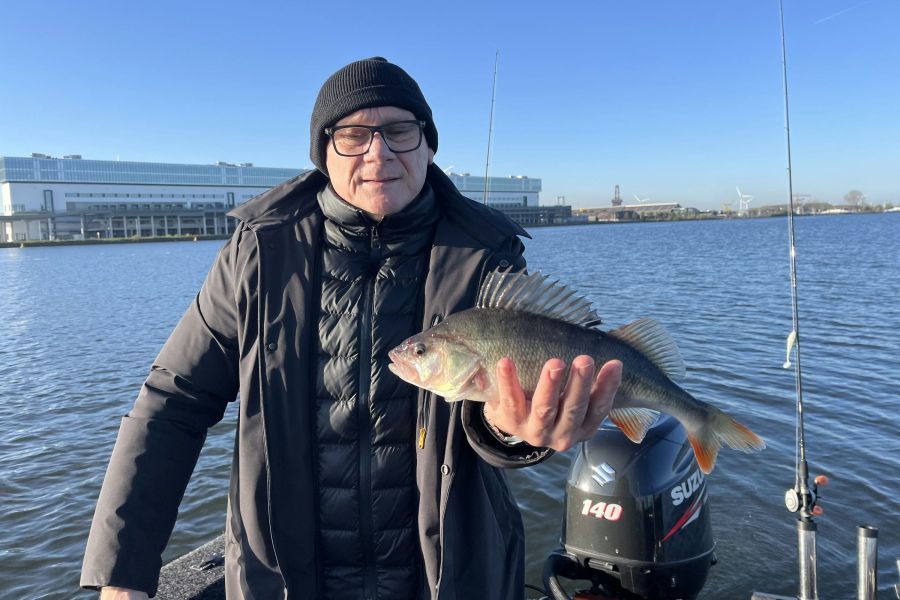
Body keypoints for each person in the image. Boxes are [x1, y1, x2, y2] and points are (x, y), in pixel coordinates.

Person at [81, 57, 623, 600]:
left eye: (399, 131)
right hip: (285, 580)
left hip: (453, 576)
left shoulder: (487, 253)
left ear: (428, 145)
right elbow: (174, 401)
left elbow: (495, 425)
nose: (378, 153)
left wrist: (513, 432)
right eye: (353, 135)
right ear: (324, 152)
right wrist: (122, 572)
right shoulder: (258, 251)